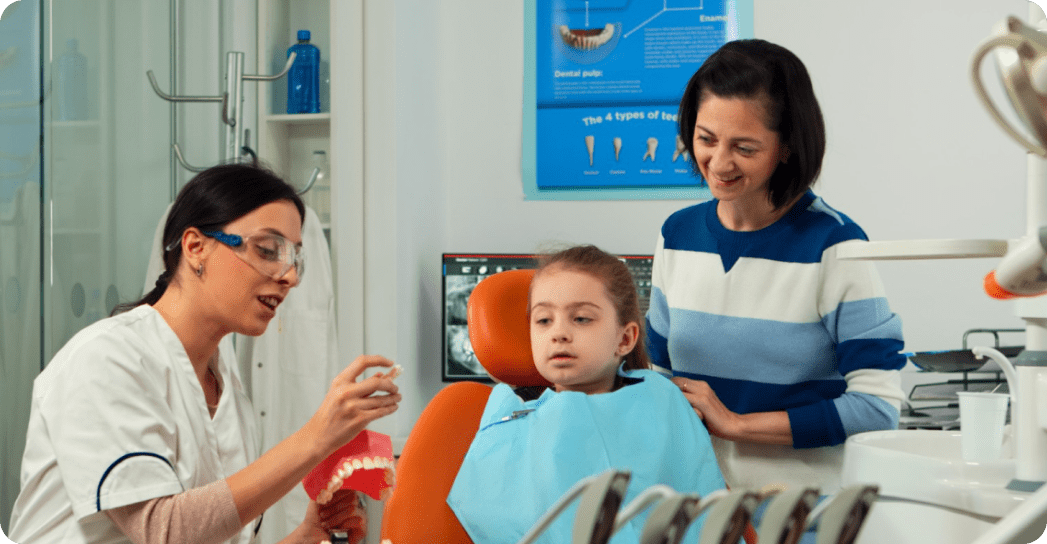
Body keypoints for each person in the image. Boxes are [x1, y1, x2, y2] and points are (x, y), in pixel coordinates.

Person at [8, 163, 401, 544]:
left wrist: (303, 538)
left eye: (296, 258)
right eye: (268, 250)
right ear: (196, 247)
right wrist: (316, 438)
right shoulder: (108, 359)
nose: (291, 277)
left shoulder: (228, 395)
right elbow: (162, 530)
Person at [646, 39, 907, 498]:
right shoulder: (677, 236)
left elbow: (877, 407)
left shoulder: (834, 246)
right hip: (699, 499)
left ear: (785, 147)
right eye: (706, 139)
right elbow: (659, 375)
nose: (719, 163)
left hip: (802, 507)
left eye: (744, 148)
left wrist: (737, 425)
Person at [447, 245, 726, 543]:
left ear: (625, 338)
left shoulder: (661, 402)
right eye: (544, 320)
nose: (559, 333)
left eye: (581, 319)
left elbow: (704, 518)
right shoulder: (506, 421)